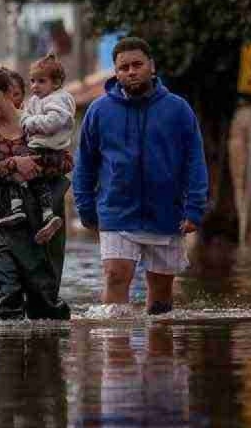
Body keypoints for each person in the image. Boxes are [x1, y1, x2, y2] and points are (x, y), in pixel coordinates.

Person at [72, 37, 208, 315]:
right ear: (116, 71)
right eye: (123, 67)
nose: (130, 72)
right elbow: (84, 163)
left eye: (137, 64)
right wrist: (85, 207)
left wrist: (194, 208)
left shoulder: (178, 109)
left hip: (166, 214)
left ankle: (159, 356)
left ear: (151, 66)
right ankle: (116, 353)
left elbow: (195, 160)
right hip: (116, 212)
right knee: (115, 275)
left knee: (160, 297)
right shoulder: (99, 111)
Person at [0, 65, 71, 320]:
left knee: (42, 297)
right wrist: (14, 164)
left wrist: (35, 165)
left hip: (37, 214)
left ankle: (46, 351)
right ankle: (1, 349)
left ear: (9, 94)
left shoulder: (33, 123)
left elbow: (66, 161)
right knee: (4, 287)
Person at [0, 54, 76, 231]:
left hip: (50, 150)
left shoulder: (58, 99)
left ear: (55, 83)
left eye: (41, 81)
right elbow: (24, 117)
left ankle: (29, 211)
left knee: (24, 170)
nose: (35, 86)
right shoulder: (35, 101)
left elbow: (52, 122)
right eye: (32, 81)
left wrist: (28, 122)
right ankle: (40, 214)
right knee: (24, 174)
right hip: (38, 147)